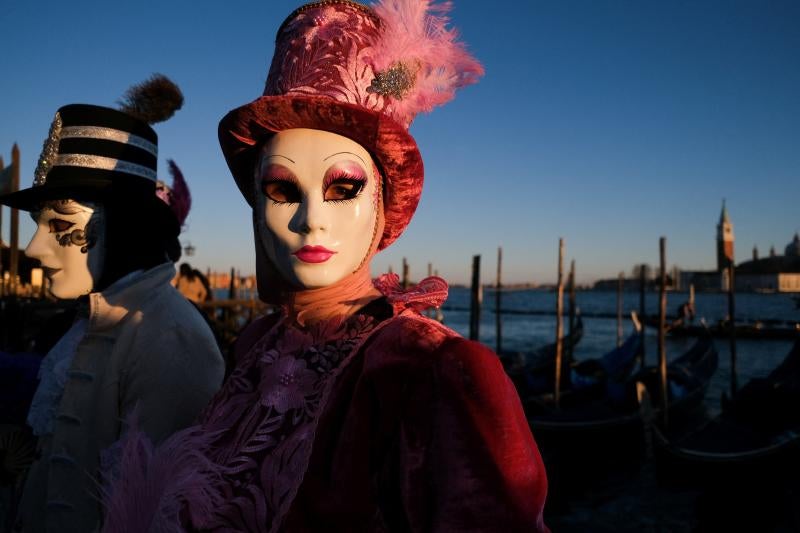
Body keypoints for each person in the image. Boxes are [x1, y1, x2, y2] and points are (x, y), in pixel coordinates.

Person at [102, 2, 549, 531]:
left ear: (381, 201)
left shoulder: (429, 371)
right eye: (281, 190)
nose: (310, 220)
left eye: (342, 188)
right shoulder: (256, 344)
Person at [0, 75, 226, 532]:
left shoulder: (170, 342)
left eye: (59, 225)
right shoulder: (86, 326)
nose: (34, 251)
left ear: (121, 226)